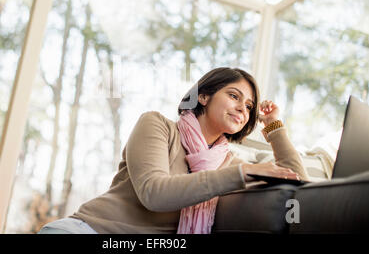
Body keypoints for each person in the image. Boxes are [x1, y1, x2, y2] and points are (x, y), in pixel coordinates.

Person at [38, 67, 309, 234]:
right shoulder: (157, 125)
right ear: (203, 96)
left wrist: (274, 126)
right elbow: (155, 193)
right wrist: (243, 173)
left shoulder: (229, 162)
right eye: (234, 96)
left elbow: (296, 179)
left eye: (249, 106)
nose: (242, 108)